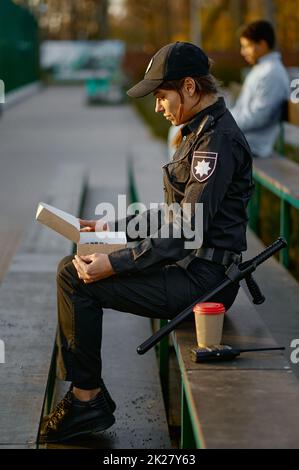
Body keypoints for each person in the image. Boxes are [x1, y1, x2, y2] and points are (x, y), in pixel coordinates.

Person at [40, 41, 254, 443]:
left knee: (76, 278)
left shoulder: (215, 143)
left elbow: (184, 233)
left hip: (204, 281)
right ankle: (87, 395)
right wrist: (108, 228)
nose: (158, 107)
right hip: (193, 267)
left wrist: (115, 262)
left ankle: (87, 400)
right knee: (74, 267)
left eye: (161, 96)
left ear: (189, 87)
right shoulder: (199, 131)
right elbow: (170, 216)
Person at [230, 20, 290, 158]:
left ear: (262, 45)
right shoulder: (262, 69)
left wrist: (224, 123)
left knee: (190, 140)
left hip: (251, 146)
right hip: (241, 140)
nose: (242, 51)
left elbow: (259, 117)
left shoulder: (272, 73)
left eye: (246, 46)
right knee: (183, 132)